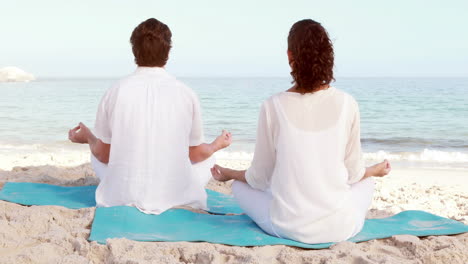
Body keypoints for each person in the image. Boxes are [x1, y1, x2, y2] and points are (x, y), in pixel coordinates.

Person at [211, 19, 391, 244]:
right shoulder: (348, 103)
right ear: (328, 55)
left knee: (239, 186)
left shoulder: (273, 106)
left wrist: (229, 173)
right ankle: (371, 174)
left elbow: (260, 178)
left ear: (289, 56)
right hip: (340, 228)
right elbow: (353, 175)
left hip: (287, 227)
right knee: (367, 182)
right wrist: (372, 171)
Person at [68, 18, 231, 214]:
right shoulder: (186, 93)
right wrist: (216, 145)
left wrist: (88, 137)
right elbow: (195, 154)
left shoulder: (116, 91)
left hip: (124, 194)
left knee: (95, 152)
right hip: (173, 194)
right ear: (168, 52)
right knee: (207, 158)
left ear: (134, 51)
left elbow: (103, 154)